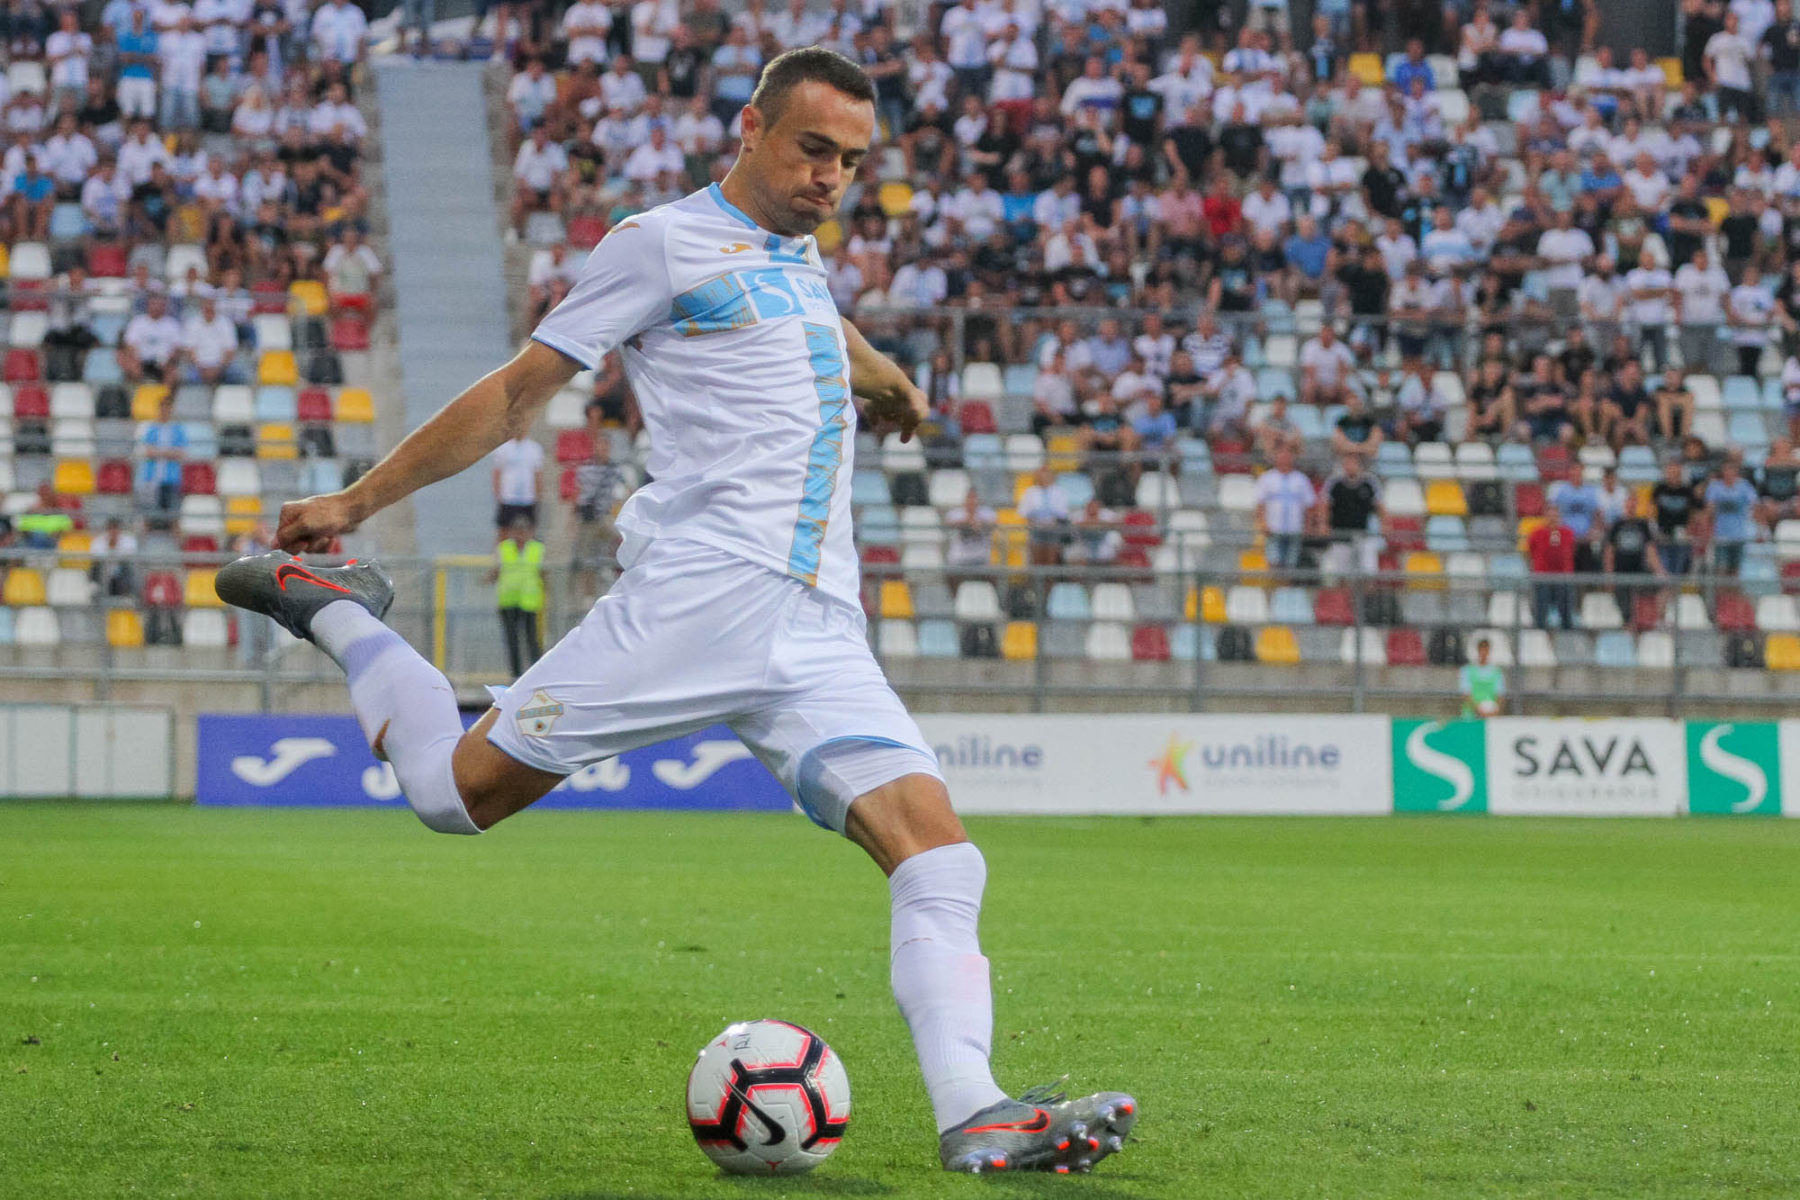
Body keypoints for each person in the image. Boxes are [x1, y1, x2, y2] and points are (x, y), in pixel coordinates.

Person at [213, 48, 1133, 1176]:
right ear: (751, 127)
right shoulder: (659, 243)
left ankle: (975, 1110)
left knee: (940, 857)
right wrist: (357, 502)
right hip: (701, 598)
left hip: (815, 625)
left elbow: (813, 324)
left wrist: (889, 380)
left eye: (851, 162)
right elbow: (516, 393)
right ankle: (337, 610)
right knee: (452, 796)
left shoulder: (796, 253)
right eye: (813, 149)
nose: (831, 177)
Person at [570, 436, 628, 600]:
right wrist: (573, 519)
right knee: (586, 557)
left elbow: (626, 488)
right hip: (588, 519)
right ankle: (587, 594)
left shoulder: (614, 470)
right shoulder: (586, 469)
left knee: (621, 541)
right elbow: (577, 493)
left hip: (605, 516)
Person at [493, 516, 545, 679]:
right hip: (508, 601)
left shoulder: (537, 549)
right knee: (512, 640)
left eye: (523, 530)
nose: (520, 534)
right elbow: (496, 571)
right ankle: (516, 676)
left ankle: (536, 675)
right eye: (517, 530)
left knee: (532, 641)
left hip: (529, 602)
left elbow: (544, 573)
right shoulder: (504, 548)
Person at [1253, 441, 1315, 571]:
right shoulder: (1267, 478)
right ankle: (1275, 584)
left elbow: (1309, 505)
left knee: (1291, 566)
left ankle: (1287, 584)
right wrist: (1262, 523)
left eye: (1288, 453)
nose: (1284, 457)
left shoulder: (1301, 479)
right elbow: (1260, 504)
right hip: (1273, 529)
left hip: (1295, 529)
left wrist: (1308, 525)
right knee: (1273, 563)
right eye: (1281, 453)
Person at [1320, 453, 1382, 582]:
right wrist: (1324, 524)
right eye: (1347, 463)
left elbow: (1379, 505)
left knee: (1368, 572)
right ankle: (1344, 595)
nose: (1349, 466)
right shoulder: (1335, 483)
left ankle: (1366, 594)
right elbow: (1325, 505)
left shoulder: (1369, 482)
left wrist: (1385, 524)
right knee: (1341, 573)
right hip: (1340, 534)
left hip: (1364, 534)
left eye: (1353, 463)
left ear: (1359, 466)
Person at [1706, 457, 1760, 575]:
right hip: (1721, 535)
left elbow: (1755, 505)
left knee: (1736, 569)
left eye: (1732, 469)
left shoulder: (1744, 486)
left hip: (1739, 535)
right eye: (1726, 470)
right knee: (1721, 568)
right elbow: (1709, 510)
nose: (1729, 473)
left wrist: (1757, 528)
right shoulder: (1715, 487)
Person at [1527, 504, 1578, 629]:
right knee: (1541, 611)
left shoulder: (1568, 533)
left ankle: (1567, 634)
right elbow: (1530, 551)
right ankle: (1539, 633)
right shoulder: (1536, 533)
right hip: (1543, 577)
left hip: (1563, 577)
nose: (1552, 519)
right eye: (1550, 516)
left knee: (1566, 611)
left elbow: (1571, 550)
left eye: (1555, 516)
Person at [135, 393, 187, 513]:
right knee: (149, 513)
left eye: (167, 408)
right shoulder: (151, 428)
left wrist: (159, 452)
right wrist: (168, 452)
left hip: (171, 478)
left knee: (172, 513)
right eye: (162, 408)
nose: (165, 411)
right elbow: (147, 451)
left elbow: (181, 453)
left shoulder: (178, 429)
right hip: (151, 478)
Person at [491, 432, 543, 527]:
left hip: (528, 498)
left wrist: (538, 495)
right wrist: (497, 494)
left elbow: (537, 473)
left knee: (528, 527)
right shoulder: (503, 448)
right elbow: (497, 472)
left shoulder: (534, 448)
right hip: (508, 497)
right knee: (504, 528)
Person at [1459, 638, 1506, 718]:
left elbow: (1500, 696)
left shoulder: (1497, 672)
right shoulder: (1467, 670)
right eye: (1481, 649)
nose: (1483, 652)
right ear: (1478, 650)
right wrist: (1478, 709)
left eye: (1486, 649)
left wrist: (1495, 710)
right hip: (1470, 716)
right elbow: (1465, 695)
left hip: (1490, 715)